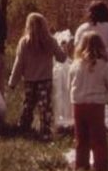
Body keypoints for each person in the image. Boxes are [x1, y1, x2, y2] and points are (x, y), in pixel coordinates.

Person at [8, 13, 67, 141]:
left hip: (29, 79)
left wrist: (12, 82)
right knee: (45, 107)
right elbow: (61, 58)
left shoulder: (24, 42)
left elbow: (19, 63)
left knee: (28, 104)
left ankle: (24, 128)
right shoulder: (50, 41)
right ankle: (45, 131)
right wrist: (63, 48)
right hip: (45, 80)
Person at [68, 32, 108, 171]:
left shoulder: (75, 65)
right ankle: (100, 167)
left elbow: (70, 85)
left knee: (81, 137)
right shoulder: (104, 66)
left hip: (78, 104)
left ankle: (81, 166)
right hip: (96, 105)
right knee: (98, 138)